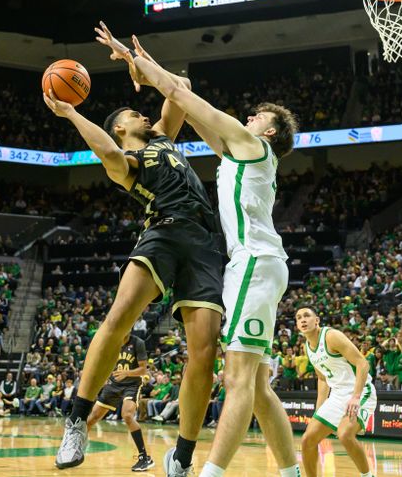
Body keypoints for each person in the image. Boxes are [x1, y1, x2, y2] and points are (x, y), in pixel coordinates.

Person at [105, 24, 301, 477]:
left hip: (253, 262)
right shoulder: (236, 154)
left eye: (256, 116)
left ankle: (208, 472)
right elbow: (189, 108)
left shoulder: (251, 145)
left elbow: (185, 96)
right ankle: (292, 473)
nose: (248, 117)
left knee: (235, 380)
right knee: (256, 385)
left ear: (268, 132)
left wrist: (140, 64)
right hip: (256, 264)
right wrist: (154, 74)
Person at [44, 37, 224, 472]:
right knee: (120, 315)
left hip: (205, 243)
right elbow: (105, 150)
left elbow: (178, 86)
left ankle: (181, 457)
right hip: (162, 232)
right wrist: (70, 111)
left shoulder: (163, 136)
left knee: (205, 351)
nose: (141, 114)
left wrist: (135, 60)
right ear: (120, 128)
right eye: (130, 115)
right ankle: (76, 419)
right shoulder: (128, 160)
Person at [296, 306, 377, 477]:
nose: (303, 320)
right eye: (298, 318)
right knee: (307, 440)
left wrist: (355, 397)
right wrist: (319, 409)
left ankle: (368, 475)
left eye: (307, 316)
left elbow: (363, 363)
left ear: (316, 320)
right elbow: (322, 379)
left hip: (360, 391)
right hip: (337, 395)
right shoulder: (307, 347)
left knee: (345, 434)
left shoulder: (331, 336)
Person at [83, 333, 154, 472]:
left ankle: (144, 457)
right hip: (113, 384)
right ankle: (76, 448)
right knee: (92, 418)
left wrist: (126, 373)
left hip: (132, 384)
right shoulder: (112, 342)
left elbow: (143, 369)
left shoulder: (138, 342)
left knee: (127, 415)